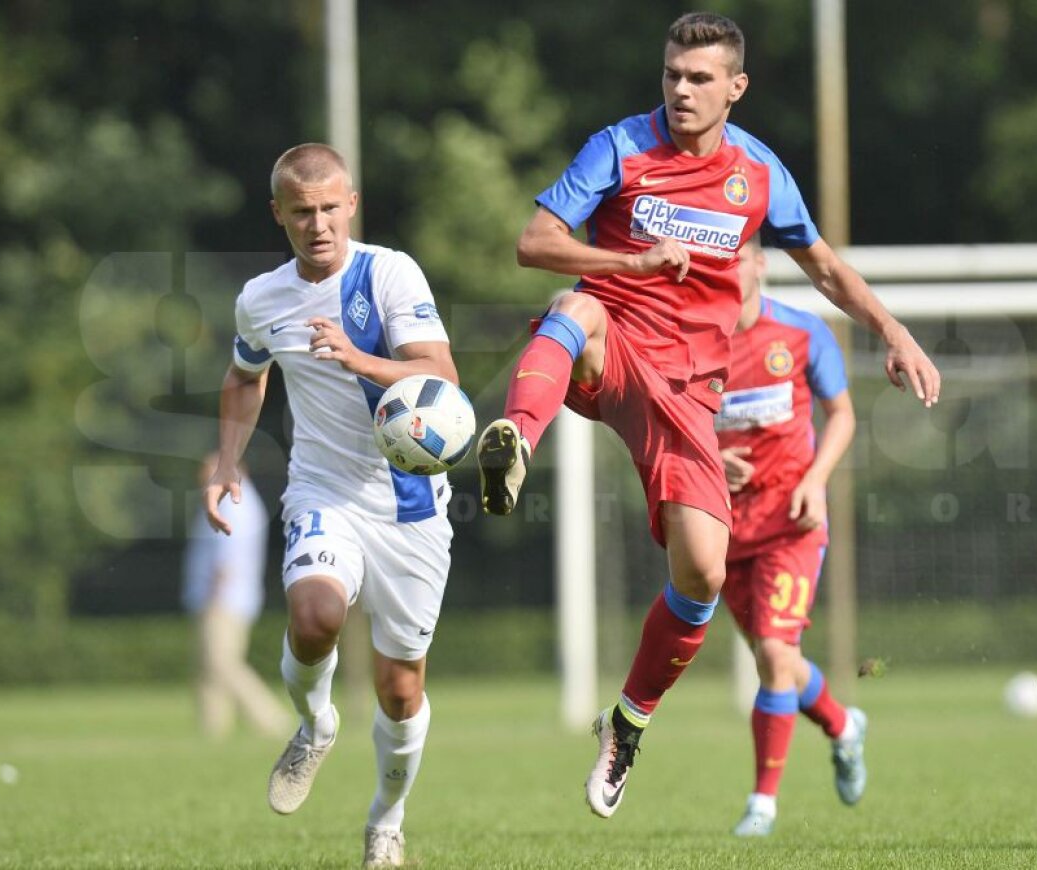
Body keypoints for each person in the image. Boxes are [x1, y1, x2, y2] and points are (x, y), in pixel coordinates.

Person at [476, 11, 940, 819]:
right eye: (671, 75)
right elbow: (534, 240)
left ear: (736, 87)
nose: (681, 91)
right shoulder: (619, 147)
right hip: (612, 344)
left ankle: (625, 725)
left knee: (700, 574)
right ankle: (516, 434)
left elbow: (823, 266)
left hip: (691, 397)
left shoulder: (757, 172)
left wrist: (893, 331)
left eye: (699, 79)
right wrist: (630, 262)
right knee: (572, 307)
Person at [205, 143, 458, 868]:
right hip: (323, 492)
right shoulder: (261, 298)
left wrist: (360, 358)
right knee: (314, 618)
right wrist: (226, 463)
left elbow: (441, 374)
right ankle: (315, 725)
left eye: (329, 208)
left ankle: (386, 818)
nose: (318, 225)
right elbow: (242, 376)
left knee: (400, 688)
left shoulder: (389, 272)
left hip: (409, 504)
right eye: (301, 212)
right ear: (278, 213)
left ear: (351, 204)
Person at [717, 237, 864, 836]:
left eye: (734, 259)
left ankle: (762, 805)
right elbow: (670, 427)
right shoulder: (689, 343)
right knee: (778, 660)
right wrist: (711, 458)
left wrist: (816, 479)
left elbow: (844, 415)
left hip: (792, 523)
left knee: (774, 659)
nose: (723, 273)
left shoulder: (803, 334)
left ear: (758, 265)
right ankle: (844, 727)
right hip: (721, 527)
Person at [183, 453, 292, 740]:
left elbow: (227, 554)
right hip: (225, 597)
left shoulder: (234, 504)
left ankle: (272, 720)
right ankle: (213, 729)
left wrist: (216, 594)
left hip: (224, 599)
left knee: (222, 663)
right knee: (209, 667)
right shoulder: (229, 501)